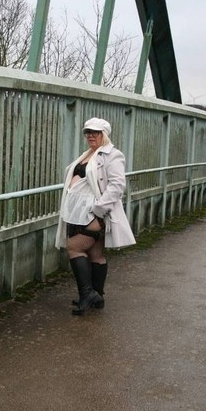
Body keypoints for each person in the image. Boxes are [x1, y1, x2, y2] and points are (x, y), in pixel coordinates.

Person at [55, 117, 136, 315]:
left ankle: (87, 294)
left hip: (93, 214)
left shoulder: (113, 155)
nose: (91, 135)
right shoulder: (87, 154)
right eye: (88, 132)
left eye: (95, 132)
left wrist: (98, 210)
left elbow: (117, 185)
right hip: (78, 212)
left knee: (74, 248)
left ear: (104, 134)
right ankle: (97, 297)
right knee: (95, 254)